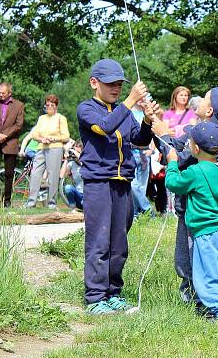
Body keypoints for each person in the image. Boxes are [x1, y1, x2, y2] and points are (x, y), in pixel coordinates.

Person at [77, 59, 158, 315]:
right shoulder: (86, 109)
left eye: (120, 84)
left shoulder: (123, 111)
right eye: (110, 83)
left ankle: (113, 292)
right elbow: (104, 127)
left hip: (123, 183)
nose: (116, 88)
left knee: (119, 243)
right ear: (94, 83)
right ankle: (95, 297)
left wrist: (146, 120)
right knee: (99, 241)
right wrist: (131, 101)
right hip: (98, 183)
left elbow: (140, 140)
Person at [166, 122, 218, 327]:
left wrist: (172, 163)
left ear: (195, 148)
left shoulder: (196, 172)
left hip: (206, 233)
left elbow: (173, 183)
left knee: (206, 275)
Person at [25, 94, 69, 209]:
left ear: (56, 106)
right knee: (35, 174)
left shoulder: (61, 118)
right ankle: (31, 202)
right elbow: (35, 134)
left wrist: (55, 138)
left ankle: (51, 203)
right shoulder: (41, 118)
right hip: (41, 148)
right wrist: (42, 139)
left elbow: (66, 136)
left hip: (55, 148)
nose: (49, 107)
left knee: (53, 176)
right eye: (47, 105)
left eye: (52, 105)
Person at [0, 82, 25, 207]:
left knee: (9, 173)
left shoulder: (19, 105)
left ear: (9, 93)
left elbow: (19, 125)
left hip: (10, 142)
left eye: (3, 93)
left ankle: (7, 200)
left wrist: (5, 135)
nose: (0, 95)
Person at [61, 141, 84, 210]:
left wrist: (77, 154)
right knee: (68, 188)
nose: (74, 154)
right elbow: (62, 175)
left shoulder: (87, 162)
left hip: (89, 197)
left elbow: (83, 163)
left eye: (77, 152)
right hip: (79, 196)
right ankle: (73, 208)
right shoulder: (72, 164)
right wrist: (66, 160)